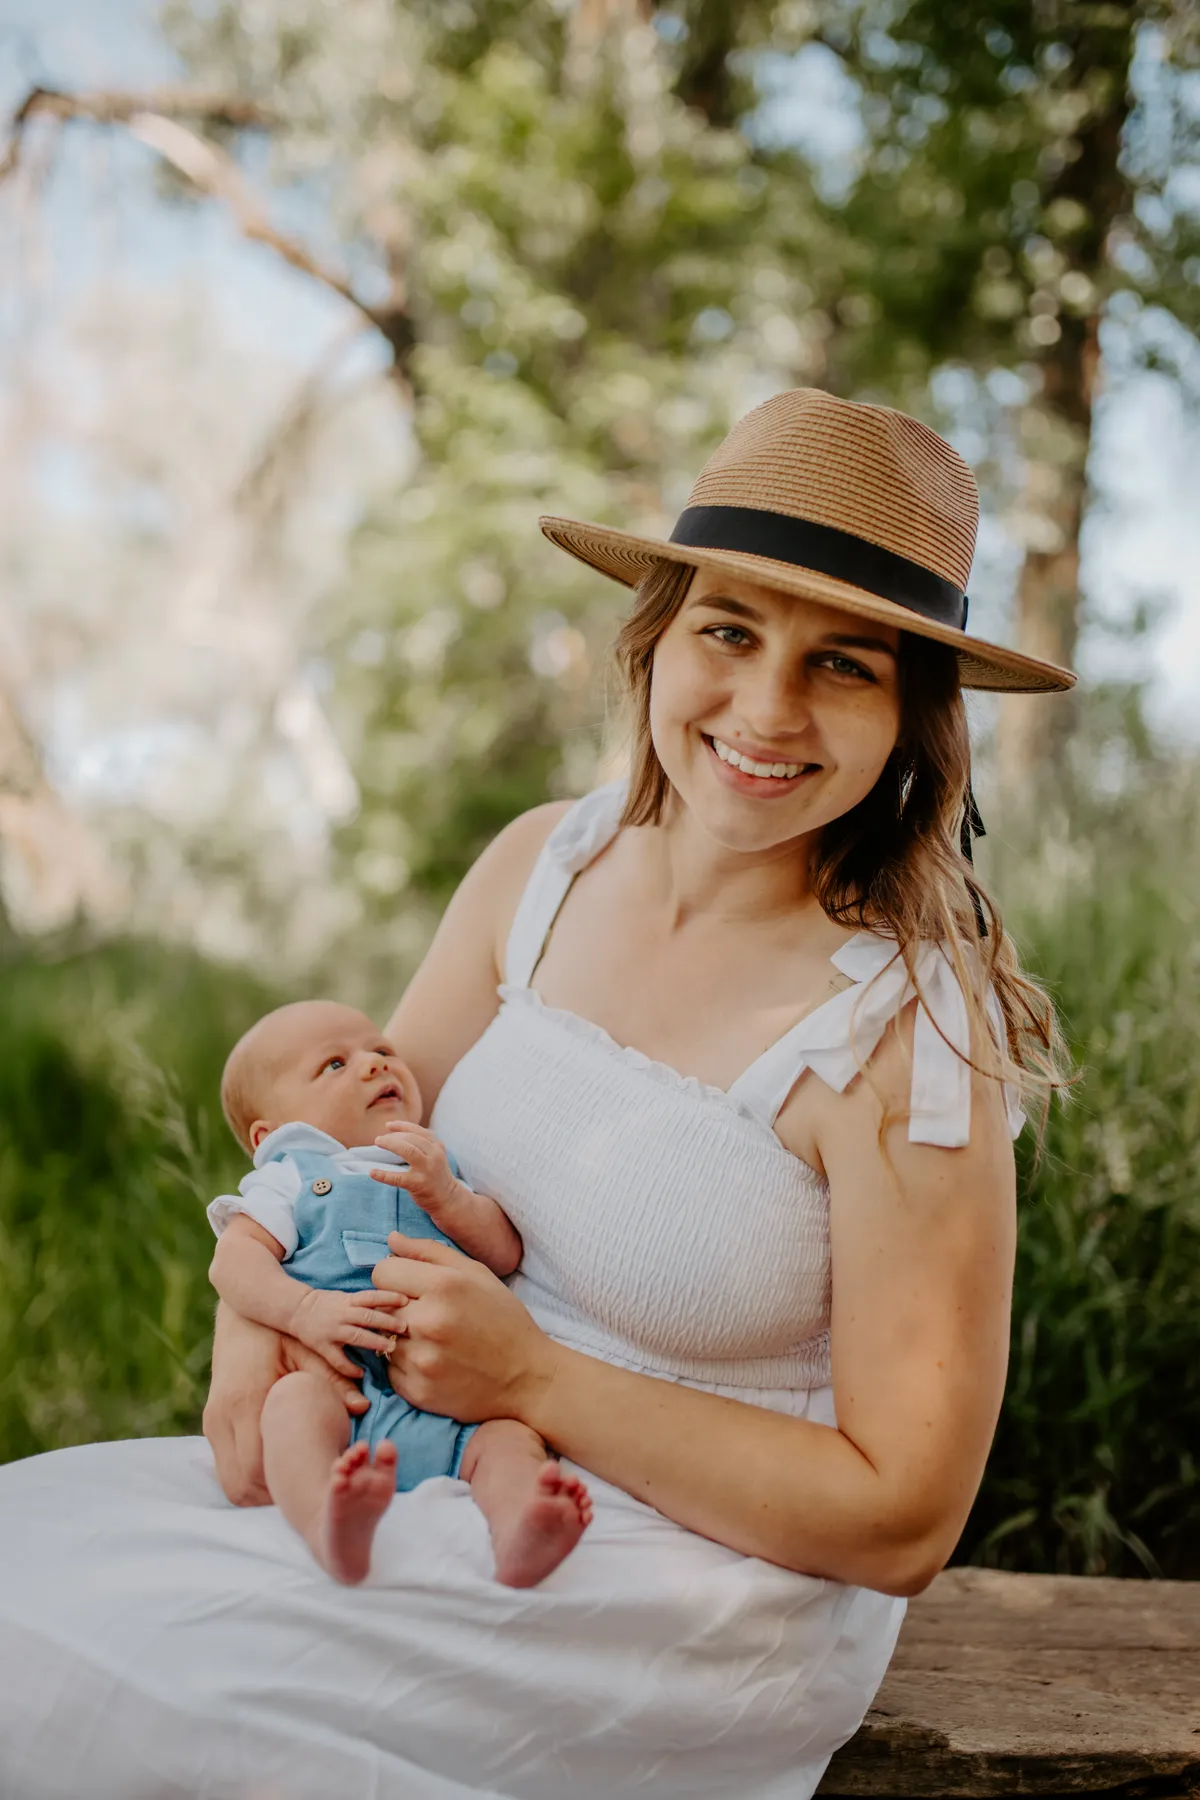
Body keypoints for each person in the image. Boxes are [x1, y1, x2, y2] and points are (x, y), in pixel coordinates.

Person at [0, 388, 1072, 1800]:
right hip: (419, 1445)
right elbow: (344, 1154)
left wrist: (532, 1376)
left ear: (912, 721)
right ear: (655, 638)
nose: (766, 709)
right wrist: (250, 1346)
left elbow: (899, 1520)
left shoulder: (907, 1032)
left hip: (695, 1580)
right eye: (730, 631)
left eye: (845, 666)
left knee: (148, 1680)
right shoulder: (541, 867)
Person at [207, 998, 591, 1586]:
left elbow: (505, 1253)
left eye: (382, 1050)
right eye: (334, 1064)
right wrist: (304, 1310)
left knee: (511, 1441)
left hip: (449, 1402)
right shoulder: (289, 1178)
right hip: (341, 1391)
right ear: (272, 1131)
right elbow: (233, 1264)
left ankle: (520, 1527)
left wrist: (452, 1201)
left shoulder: (434, 1163)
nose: (373, 1064)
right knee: (292, 1406)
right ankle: (325, 1520)